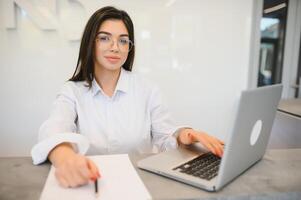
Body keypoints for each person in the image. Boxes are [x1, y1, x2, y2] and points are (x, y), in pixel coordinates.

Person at [31, 6, 224, 188]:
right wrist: (67, 159)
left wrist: (184, 135)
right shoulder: (72, 91)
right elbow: (54, 129)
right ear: (91, 42)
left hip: (140, 183)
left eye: (123, 40)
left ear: (129, 47)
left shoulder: (147, 88)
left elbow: (165, 134)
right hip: (90, 182)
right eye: (105, 38)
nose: (115, 47)